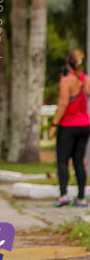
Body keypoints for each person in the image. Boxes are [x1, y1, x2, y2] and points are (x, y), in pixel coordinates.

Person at [50, 50, 89, 207]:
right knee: (79, 162)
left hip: (68, 126)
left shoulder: (66, 81)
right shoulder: (86, 80)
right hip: (85, 125)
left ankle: (63, 195)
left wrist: (54, 124)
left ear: (68, 64)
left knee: (62, 161)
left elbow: (63, 104)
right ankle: (81, 197)